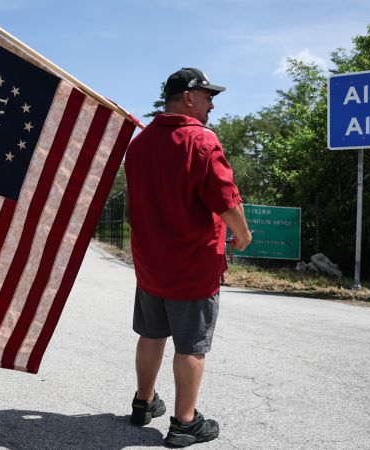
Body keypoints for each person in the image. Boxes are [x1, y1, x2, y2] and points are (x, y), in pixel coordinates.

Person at [124, 68, 252, 447]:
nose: (212, 103)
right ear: (189, 97)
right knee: (191, 346)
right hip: (192, 265)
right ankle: (184, 423)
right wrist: (243, 234)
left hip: (150, 264)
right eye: (208, 96)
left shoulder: (140, 144)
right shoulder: (202, 142)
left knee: (151, 334)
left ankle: (143, 403)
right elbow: (226, 199)